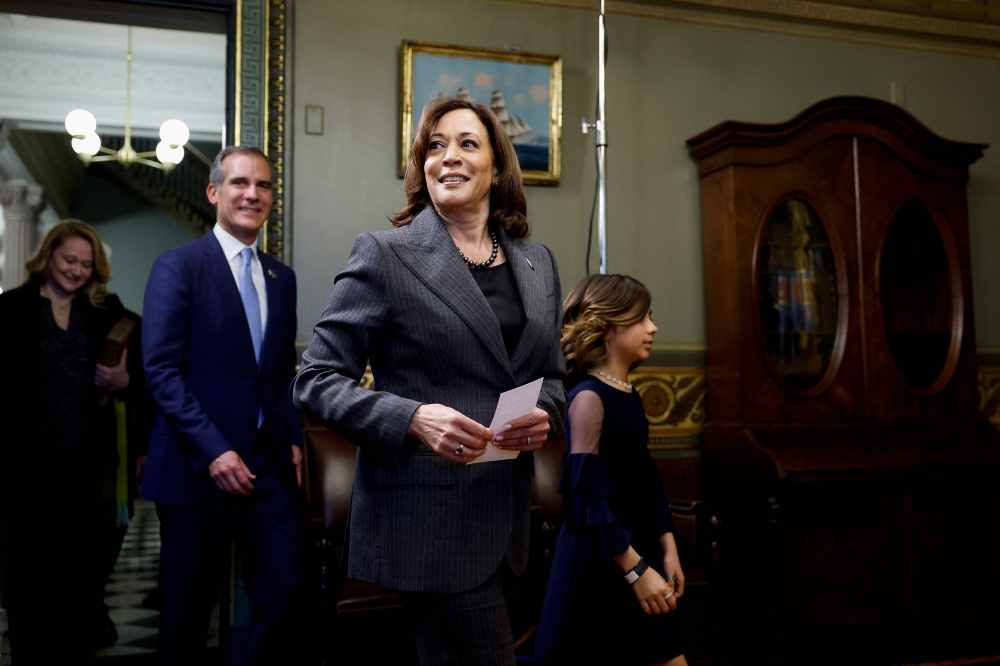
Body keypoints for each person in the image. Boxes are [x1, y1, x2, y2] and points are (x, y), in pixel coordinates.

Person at [292, 97, 567, 665]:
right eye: (435, 146)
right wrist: (413, 417)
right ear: (421, 166)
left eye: (468, 144)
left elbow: (555, 381)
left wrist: (546, 412)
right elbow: (315, 379)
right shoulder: (386, 255)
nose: (449, 157)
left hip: (510, 522)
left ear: (498, 166)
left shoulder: (537, 261)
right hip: (428, 522)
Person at [141, 145, 303, 665]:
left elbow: (280, 375)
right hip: (196, 466)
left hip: (268, 465)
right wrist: (213, 451)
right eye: (239, 183)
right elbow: (161, 372)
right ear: (214, 192)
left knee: (284, 590)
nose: (252, 194)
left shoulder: (282, 278)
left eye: (263, 185)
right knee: (187, 611)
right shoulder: (179, 266)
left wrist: (295, 440)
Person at [522, 274, 688, 666]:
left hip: (636, 549)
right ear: (609, 325)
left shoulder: (629, 394)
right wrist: (635, 570)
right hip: (602, 561)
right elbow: (585, 499)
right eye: (643, 318)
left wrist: (668, 545)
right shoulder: (588, 399)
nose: (653, 328)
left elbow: (644, 477)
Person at [0, 219, 146, 662]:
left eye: (86, 264)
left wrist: (124, 378)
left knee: (78, 576)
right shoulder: (11, 308)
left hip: (86, 464)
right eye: (69, 260)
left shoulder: (106, 309)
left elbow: (144, 369)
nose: (77, 270)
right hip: (24, 465)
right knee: (28, 576)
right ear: (47, 256)